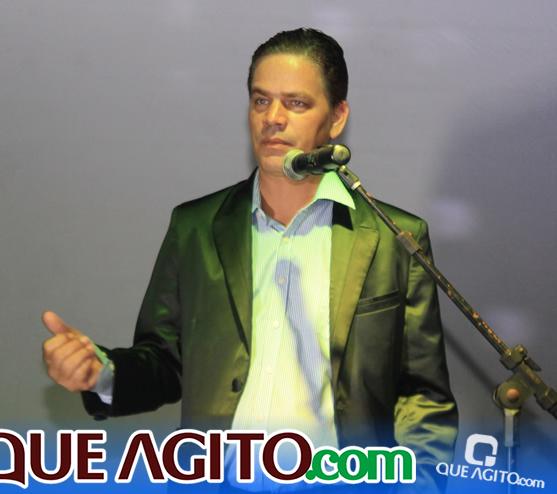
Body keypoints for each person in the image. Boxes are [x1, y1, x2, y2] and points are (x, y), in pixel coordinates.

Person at [43, 28, 457, 493]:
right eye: (261, 101)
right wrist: (101, 373)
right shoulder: (197, 226)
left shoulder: (392, 237)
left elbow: (422, 396)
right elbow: (165, 361)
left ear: (337, 117)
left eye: (296, 103)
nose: (273, 119)